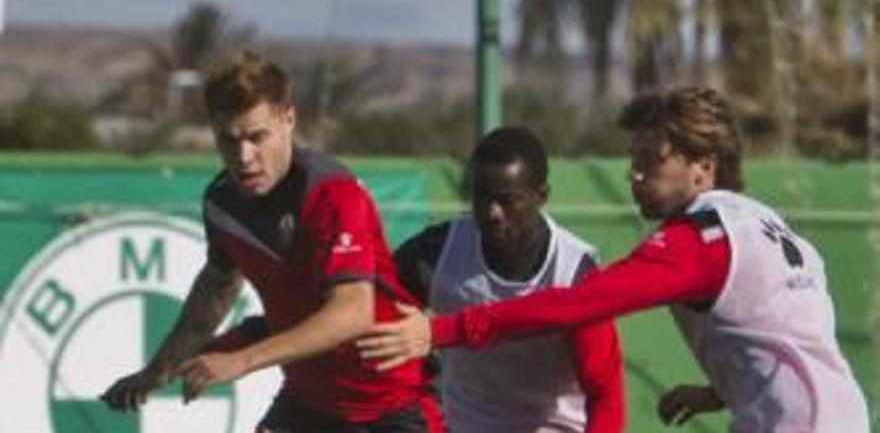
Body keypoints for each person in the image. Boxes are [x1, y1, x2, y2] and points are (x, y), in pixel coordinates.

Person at [358, 87, 870, 432]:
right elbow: (796, 333)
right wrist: (719, 391)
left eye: (651, 161)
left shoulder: (699, 243)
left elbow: (576, 306)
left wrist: (438, 332)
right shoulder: (766, 225)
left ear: (703, 167)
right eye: (633, 161)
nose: (635, 175)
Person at [101, 51, 445, 433]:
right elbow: (214, 293)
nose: (244, 157)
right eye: (228, 141)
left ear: (288, 120)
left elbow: (351, 313)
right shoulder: (222, 201)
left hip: (389, 407)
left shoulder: (332, 195)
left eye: (256, 137)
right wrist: (155, 372)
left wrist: (243, 360)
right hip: (307, 403)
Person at [209, 126, 626, 433]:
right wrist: (234, 344)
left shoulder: (574, 272)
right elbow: (346, 313)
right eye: (482, 197)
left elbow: (605, 390)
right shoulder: (437, 252)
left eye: (508, 200)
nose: (493, 212)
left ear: (542, 197)